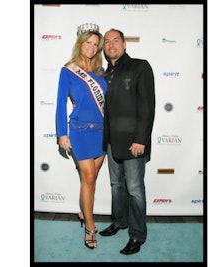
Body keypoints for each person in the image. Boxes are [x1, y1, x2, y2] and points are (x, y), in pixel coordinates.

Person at [99, 28, 155, 255]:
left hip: (134, 143)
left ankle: (137, 235)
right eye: (107, 41)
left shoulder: (140, 66)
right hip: (112, 141)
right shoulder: (104, 74)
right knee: (116, 185)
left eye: (115, 40)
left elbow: (147, 106)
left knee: (134, 189)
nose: (111, 44)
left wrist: (141, 139)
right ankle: (119, 221)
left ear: (124, 45)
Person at [55, 23, 107, 249]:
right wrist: (61, 134)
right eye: (88, 42)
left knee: (91, 178)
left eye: (96, 44)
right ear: (80, 43)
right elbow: (59, 104)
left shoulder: (101, 73)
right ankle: (90, 226)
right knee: (88, 178)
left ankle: (83, 211)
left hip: (102, 132)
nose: (92, 47)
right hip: (80, 132)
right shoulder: (68, 70)